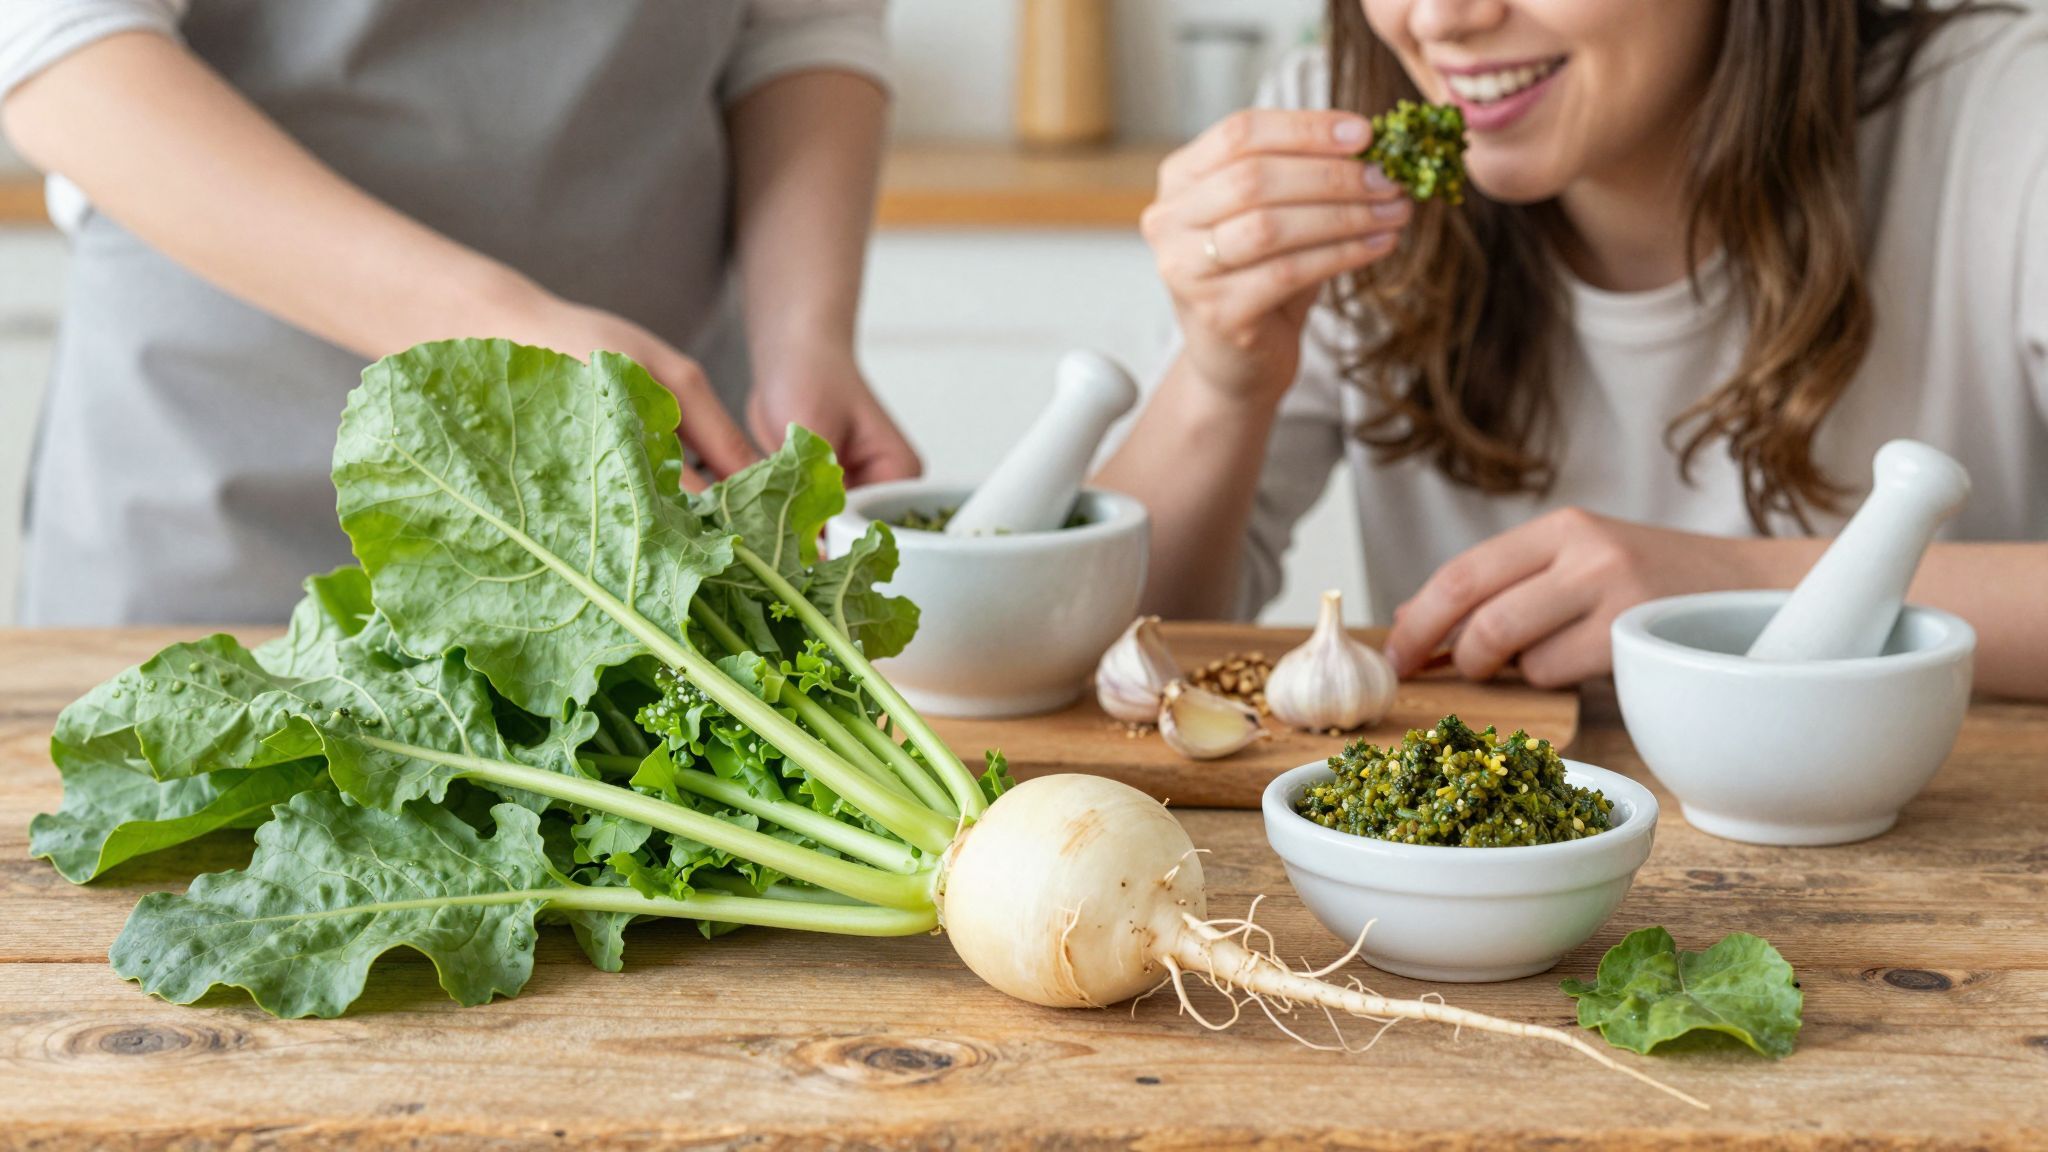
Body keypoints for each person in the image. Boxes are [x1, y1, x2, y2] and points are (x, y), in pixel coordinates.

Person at [1099, 0, 2048, 700]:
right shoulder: (1330, 139)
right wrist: (1222, 385)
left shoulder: (2010, 119)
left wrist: (1734, 589)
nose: (1437, 20)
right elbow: (1109, 661)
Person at [1, 0, 918, 626]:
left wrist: (803, 333)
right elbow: (62, 48)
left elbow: (803, 28)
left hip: (639, 496)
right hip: (222, 487)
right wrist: (508, 331)